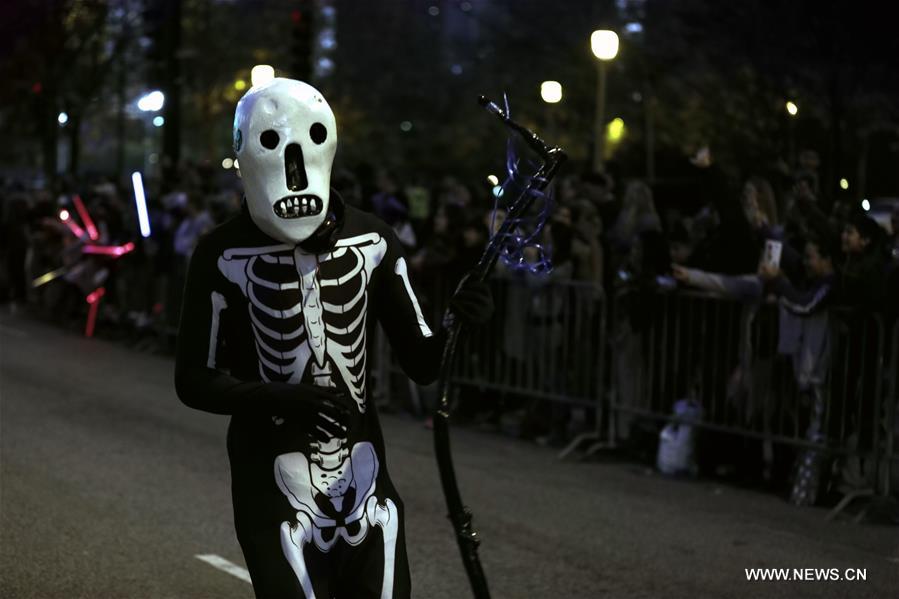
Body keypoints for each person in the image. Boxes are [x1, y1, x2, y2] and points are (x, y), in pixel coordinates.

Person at [174, 78, 492, 599]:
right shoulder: (221, 253)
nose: (293, 167)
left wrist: (464, 321)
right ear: (245, 153)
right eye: (273, 144)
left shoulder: (372, 240)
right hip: (272, 485)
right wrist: (277, 396)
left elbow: (423, 360)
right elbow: (192, 379)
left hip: (367, 486)